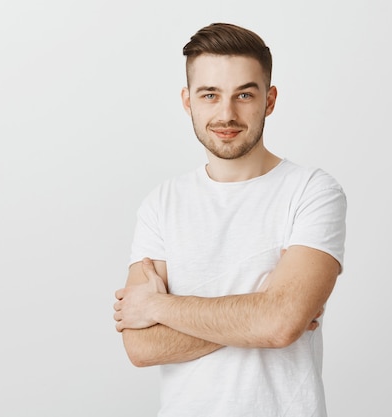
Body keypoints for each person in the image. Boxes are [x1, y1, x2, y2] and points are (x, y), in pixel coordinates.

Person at [113, 22, 346, 417]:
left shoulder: (312, 191)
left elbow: (280, 325)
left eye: (244, 94)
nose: (227, 113)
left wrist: (157, 307)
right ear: (188, 101)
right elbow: (141, 348)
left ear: (269, 100)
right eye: (210, 95)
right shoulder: (161, 204)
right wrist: (259, 313)